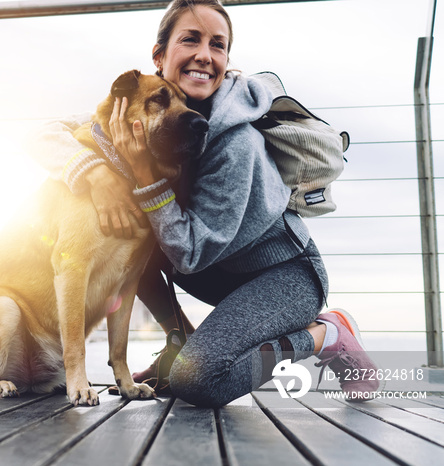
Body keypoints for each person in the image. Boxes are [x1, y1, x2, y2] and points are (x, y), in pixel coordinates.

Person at [29, 0, 380, 407]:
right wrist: (94, 172)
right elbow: (44, 134)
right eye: (190, 39)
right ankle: (178, 339)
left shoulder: (235, 142)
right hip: (221, 273)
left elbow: (190, 253)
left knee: (199, 381)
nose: (204, 55)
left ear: (227, 59)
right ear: (159, 56)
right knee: (125, 230)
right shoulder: (147, 101)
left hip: (284, 276)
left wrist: (142, 176)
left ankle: (327, 334)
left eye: (218, 45)